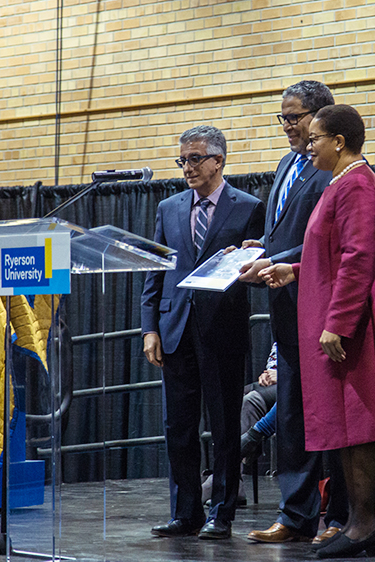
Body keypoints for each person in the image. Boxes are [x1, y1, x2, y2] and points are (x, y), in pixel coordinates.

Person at [258, 104, 375, 558]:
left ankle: (364, 526)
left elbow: (358, 260)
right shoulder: (341, 183)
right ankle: (356, 525)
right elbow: (333, 255)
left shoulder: (357, 186)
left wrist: (338, 324)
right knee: (347, 426)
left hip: (353, 328)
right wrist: (294, 268)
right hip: (341, 323)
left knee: (360, 424)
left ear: (339, 142)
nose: (309, 148)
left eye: (316, 140)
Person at [140, 126, 266, 539]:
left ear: (218, 160)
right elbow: (155, 273)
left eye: (195, 159)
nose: (187, 168)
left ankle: (222, 514)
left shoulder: (249, 207)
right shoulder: (169, 208)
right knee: (179, 428)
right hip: (175, 331)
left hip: (222, 332)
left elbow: (257, 267)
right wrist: (149, 329)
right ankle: (186, 512)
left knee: (226, 427)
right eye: (182, 161)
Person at [237, 80, 341, 544]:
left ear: (320, 118)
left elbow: (327, 242)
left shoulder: (332, 168)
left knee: (330, 414)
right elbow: (288, 230)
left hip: (321, 306)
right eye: (281, 117)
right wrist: (265, 246)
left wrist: (280, 259)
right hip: (285, 305)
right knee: (293, 412)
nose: (286, 126)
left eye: (294, 117)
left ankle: (338, 516)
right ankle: (295, 516)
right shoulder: (286, 164)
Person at [201, 343, 278, 506]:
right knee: (229, 399)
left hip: (297, 381)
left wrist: (282, 374)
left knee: (250, 402)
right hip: (277, 380)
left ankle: (225, 479)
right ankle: (231, 480)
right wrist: (268, 373)